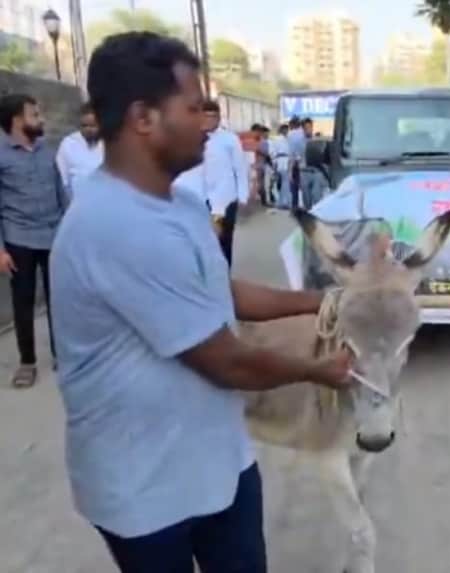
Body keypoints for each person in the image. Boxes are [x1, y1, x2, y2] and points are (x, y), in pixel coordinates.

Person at [49, 31, 352, 573]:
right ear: (144, 118)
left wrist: (318, 301)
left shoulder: (182, 204)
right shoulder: (115, 223)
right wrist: (320, 370)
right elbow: (225, 361)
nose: (210, 122)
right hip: (146, 488)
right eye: (195, 107)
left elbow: (218, 291)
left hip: (219, 463)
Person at [0, 93, 66, 387]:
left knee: (60, 300)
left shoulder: (46, 150)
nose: (40, 119)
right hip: (19, 239)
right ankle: (27, 362)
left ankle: (61, 354)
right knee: (23, 302)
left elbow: (60, 192)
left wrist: (68, 231)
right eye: (34, 115)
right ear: (17, 120)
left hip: (53, 236)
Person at [201, 99, 250, 267]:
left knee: (223, 243)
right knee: (204, 244)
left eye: (212, 117)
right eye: (205, 116)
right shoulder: (193, 139)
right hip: (201, 199)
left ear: (219, 118)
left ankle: (224, 281)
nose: (208, 120)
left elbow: (240, 168)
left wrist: (243, 196)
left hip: (225, 198)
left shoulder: (229, 139)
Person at [56, 102, 104, 199]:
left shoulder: (110, 144)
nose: (88, 130)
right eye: (84, 126)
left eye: (93, 126)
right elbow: (63, 179)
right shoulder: (68, 143)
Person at [269, 123, 291, 209]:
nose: (286, 131)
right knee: (285, 182)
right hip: (282, 160)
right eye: (285, 129)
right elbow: (272, 151)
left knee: (284, 183)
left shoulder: (287, 139)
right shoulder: (278, 139)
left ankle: (282, 202)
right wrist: (274, 162)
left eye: (287, 130)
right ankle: (284, 202)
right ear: (282, 130)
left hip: (284, 160)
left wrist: (274, 161)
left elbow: (272, 152)